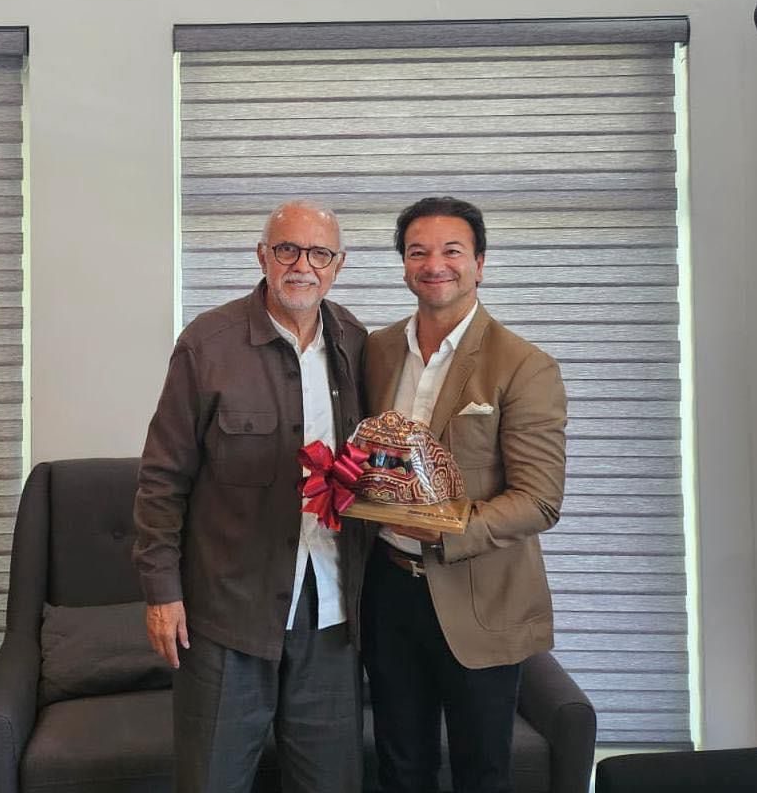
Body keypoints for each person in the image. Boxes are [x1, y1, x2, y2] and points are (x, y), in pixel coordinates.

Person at [133, 200, 369, 793]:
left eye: (319, 254)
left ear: (338, 265)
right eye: (287, 250)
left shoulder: (357, 344)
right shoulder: (207, 344)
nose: (302, 266)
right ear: (262, 256)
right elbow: (162, 478)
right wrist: (162, 593)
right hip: (226, 613)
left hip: (331, 611)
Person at [361, 196, 567, 793]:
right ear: (403, 265)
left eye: (452, 251)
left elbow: (539, 499)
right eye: (417, 252)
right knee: (400, 768)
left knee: (482, 774)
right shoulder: (374, 351)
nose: (435, 265)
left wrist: (445, 526)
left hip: (482, 599)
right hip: (388, 591)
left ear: (480, 263)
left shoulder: (523, 365)